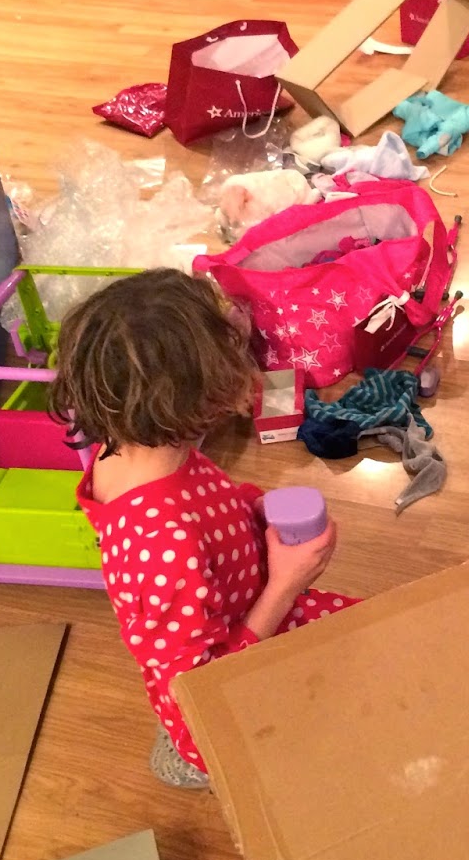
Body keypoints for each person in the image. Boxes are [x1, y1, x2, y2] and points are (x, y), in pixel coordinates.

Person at [52, 269, 356, 789]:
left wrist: (253, 507)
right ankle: (188, 760)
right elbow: (202, 685)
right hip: (220, 697)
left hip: (230, 615)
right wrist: (286, 586)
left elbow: (205, 499)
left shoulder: (131, 448)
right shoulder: (163, 541)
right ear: (202, 400)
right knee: (306, 757)